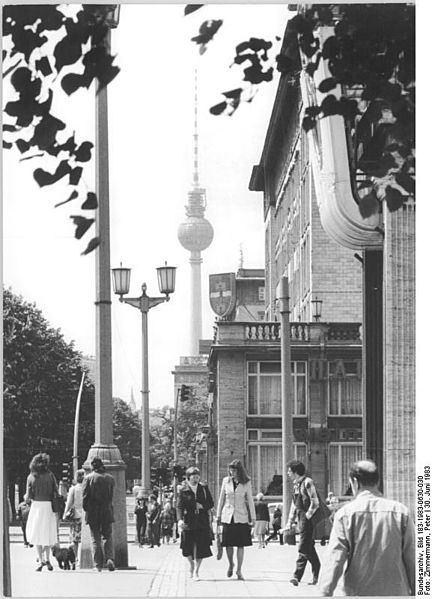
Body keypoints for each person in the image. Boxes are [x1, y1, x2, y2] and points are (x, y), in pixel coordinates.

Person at [319, 459, 415, 596]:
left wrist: (325, 592)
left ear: (355, 482)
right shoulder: (401, 512)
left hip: (358, 592)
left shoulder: (345, 515)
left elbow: (335, 559)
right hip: (397, 593)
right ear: (378, 482)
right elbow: (413, 557)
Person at [281, 459, 320, 587]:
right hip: (301, 518)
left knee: (303, 546)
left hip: (307, 518)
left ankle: (296, 576)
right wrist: (289, 523)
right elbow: (294, 505)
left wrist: (307, 517)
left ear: (296, 472)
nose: (287, 473)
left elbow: (315, 502)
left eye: (289, 471)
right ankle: (318, 570)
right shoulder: (296, 484)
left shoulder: (308, 482)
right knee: (309, 548)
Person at [216, 459, 256, 581]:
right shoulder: (225, 481)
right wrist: (218, 515)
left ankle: (239, 570)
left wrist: (253, 517)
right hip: (227, 516)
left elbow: (250, 500)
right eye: (230, 470)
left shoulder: (246, 482)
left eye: (234, 470)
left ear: (239, 471)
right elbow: (221, 499)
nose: (231, 472)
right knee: (228, 544)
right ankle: (230, 564)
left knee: (240, 544)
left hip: (241, 516)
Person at [176, 466, 214, 581]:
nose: (196, 479)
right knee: (187, 546)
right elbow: (179, 506)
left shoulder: (203, 488)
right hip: (189, 520)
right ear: (188, 478)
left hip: (202, 520)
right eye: (193, 477)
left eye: (197, 477)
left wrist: (203, 506)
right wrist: (179, 520)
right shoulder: (183, 490)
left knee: (201, 546)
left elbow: (211, 503)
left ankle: (196, 571)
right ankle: (191, 565)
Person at [24, 452, 59, 571]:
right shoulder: (50, 475)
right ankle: (48, 558)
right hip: (48, 506)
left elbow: (28, 497)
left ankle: (40, 560)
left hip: (36, 506)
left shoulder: (31, 477)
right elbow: (56, 490)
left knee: (37, 533)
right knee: (47, 533)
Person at [82, 456, 115, 572]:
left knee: (95, 538)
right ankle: (110, 558)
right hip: (107, 511)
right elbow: (111, 496)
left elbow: (85, 497)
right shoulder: (110, 478)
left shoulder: (88, 478)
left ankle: (98, 565)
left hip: (93, 512)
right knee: (108, 536)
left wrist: (86, 509)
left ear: (92, 466)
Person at [63, 469, 85, 561]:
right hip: (85, 515)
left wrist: (65, 513)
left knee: (75, 539)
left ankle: (75, 558)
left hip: (75, 516)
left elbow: (69, 503)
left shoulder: (73, 489)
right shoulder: (86, 488)